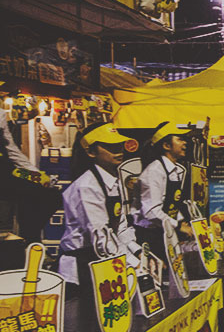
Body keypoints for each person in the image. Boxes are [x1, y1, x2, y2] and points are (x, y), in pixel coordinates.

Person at [59, 123, 141, 289]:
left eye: (119, 144)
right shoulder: (87, 186)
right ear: (91, 152)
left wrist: (139, 252)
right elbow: (101, 239)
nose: (118, 150)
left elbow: (121, 228)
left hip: (105, 260)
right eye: (109, 146)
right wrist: (133, 264)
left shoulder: (114, 182)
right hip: (81, 268)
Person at [134, 122, 193, 260]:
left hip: (165, 231)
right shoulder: (154, 171)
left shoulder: (176, 170)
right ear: (166, 146)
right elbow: (151, 212)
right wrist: (178, 225)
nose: (185, 143)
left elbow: (169, 202)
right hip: (150, 236)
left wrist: (181, 220)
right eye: (179, 139)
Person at [0, 115, 61, 245]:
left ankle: (30, 239)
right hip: (5, 174)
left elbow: (11, 150)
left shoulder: (0, 114)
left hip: (6, 170)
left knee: (52, 194)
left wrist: (37, 175)